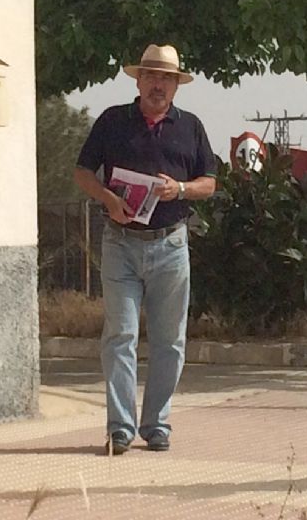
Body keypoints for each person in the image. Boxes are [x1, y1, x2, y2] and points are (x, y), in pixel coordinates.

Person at [74, 44, 216, 455]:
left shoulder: (190, 127)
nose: (159, 84)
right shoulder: (112, 121)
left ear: (176, 86)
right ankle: (120, 428)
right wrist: (107, 198)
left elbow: (210, 182)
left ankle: (157, 425)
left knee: (170, 341)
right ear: (138, 80)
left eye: (167, 78)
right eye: (152, 76)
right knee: (120, 335)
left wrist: (181, 189)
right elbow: (82, 172)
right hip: (120, 244)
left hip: (171, 244)